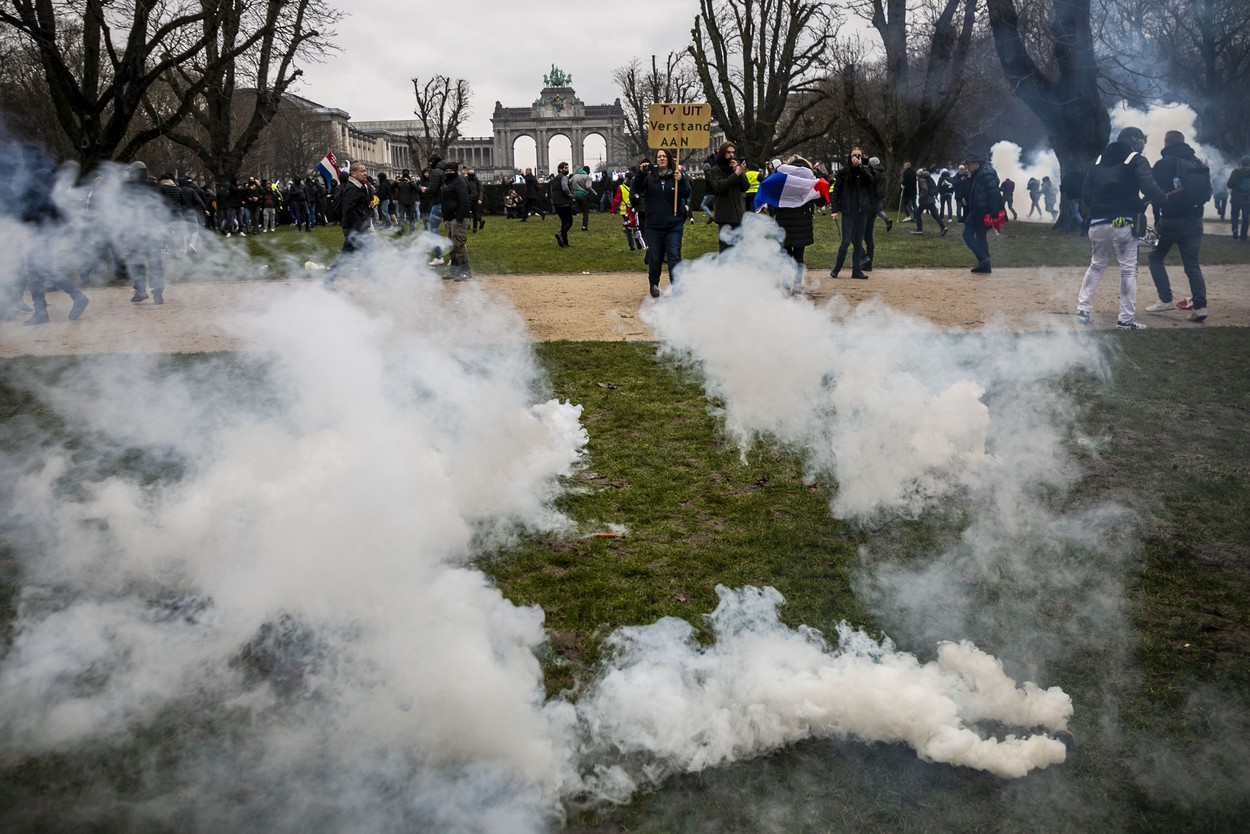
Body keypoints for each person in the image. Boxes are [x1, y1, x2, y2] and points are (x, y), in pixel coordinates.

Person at [1074, 126, 1165, 330]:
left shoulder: (1098, 161)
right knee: (1128, 270)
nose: (1144, 144)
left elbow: (1086, 194)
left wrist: (1101, 207)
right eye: (1142, 140)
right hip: (1123, 222)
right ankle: (1125, 319)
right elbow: (1149, 187)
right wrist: (1160, 197)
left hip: (1097, 223)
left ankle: (1083, 309)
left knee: (1096, 265)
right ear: (1134, 140)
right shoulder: (1136, 159)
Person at [11, 144, 89, 325]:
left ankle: (78, 296)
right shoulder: (42, 174)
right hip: (39, 226)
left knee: (44, 267)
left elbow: (39, 205)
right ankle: (40, 312)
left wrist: (27, 221)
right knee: (32, 270)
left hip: (42, 227)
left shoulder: (41, 175)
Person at [1144, 130, 1210, 323]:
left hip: (1171, 221)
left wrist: (1157, 218)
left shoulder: (1164, 164)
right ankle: (1200, 306)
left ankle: (1165, 299)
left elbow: (1155, 193)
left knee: (1154, 257)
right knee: (1192, 266)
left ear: (1166, 144)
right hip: (1196, 220)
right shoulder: (1197, 162)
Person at [632, 148, 690, 297]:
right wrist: (640, 173)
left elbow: (687, 193)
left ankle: (676, 287)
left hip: (673, 224)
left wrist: (682, 180)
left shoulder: (676, 176)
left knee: (674, 256)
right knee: (655, 257)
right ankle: (654, 284)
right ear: (656, 159)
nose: (662, 158)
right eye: (659, 156)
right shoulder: (649, 177)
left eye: (664, 156)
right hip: (654, 225)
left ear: (669, 158)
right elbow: (636, 187)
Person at [761, 156, 823, 294]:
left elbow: (772, 195)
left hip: (784, 219)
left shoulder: (783, 176)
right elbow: (820, 201)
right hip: (802, 220)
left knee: (786, 254)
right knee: (799, 255)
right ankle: (797, 284)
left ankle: (786, 280)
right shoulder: (809, 178)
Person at [323, 161, 374, 289]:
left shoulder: (358, 186)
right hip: (354, 229)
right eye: (362, 171)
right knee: (369, 256)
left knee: (347, 256)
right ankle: (379, 284)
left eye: (365, 171)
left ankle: (328, 281)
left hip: (354, 228)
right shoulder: (352, 188)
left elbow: (358, 207)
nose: (365, 173)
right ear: (353, 173)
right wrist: (360, 228)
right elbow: (348, 210)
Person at [829, 147, 875, 280]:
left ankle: (856, 270)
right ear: (849, 157)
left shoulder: (864, 170)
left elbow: (871, 181)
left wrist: (860, 167)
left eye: (859, 156)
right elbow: (836, 191)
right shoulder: (844, 172)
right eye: (854, 155)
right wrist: (834, 210)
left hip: (861, 211)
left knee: (858, 242)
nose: (856, 158)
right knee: (846, 241)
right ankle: (837, 269)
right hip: (848, 211)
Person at [960, 149, 1006, 274]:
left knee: (967, 234)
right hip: (978, 211)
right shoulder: (977, 174)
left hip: (981, 212)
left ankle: (983, 259)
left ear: (977, 163)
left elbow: (994, 194)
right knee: (980, 236)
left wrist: (994, 213)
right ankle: (985, 265)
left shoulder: (986, 174)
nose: (967, 166)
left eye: (969, 164)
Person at [705, 141, 750, 252]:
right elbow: (721, 187)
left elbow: (745, 187)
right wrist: (736, 174)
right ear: (722, 153)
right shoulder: (715, 170)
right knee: (726, 250)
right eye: (728, 152)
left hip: (738, 214)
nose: (731, 155)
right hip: (725, 215)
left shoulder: (735, 168)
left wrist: (739, 173)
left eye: (733, 152)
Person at [440, 160, 472, 280]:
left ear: (455, 171)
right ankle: (454, 271)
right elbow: (444, 200)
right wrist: (445, 217)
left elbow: (463, 201)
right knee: (451, 246)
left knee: (458, 245)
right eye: (446, 171)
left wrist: (459, 218)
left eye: (451, 171)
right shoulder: (446, 183)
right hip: (449, 218)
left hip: (459, 218)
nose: (448, 173)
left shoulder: (459, 182)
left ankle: (465, 271)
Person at [911, 168, 948, 235]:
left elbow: (925, 189)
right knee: (935, 215)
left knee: (918, 213)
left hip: (925, 200)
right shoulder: (928, 178)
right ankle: (943, 227)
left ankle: (919, 229)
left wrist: (921, 197)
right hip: (931, 199)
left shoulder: (921, 180)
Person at [549, 161, 575, 247]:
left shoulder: (554, 179)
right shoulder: (564, 177)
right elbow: (565, 188)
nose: (567, 169)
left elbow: (552, 191)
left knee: (564, 222)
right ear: (560, 169)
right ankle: (560, 233)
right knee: (569, 222)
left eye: (567, 167)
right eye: (565, 168)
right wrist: (571, 196)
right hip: (564, 203)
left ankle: (565, 242)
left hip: (556, 204)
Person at [1227, 155, 1250, 240]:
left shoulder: (1235, 172)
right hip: (1247, 199)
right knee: (1246, 218)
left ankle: (1235, 230)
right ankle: (1243, 236)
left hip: (1236, 198)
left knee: (1234, 216)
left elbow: (1229, 185)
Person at [570, 166, 596, 231]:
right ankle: (584, 227)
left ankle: (572, 212)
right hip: (583, 195)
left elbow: (568, 182)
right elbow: (588, 187)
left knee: (575, 209)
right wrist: (594, 192)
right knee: (585, 211)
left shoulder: (575, 176)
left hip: (575, 194)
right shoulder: (587, 177)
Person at [465, 167, 485, 232]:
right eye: (469, 173)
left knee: (475, 214)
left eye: (472, 173)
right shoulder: (464, 180)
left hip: (475, 199)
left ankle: (474, 228)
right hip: (467, 199)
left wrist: (480, 199)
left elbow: (480, 190)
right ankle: (468, 226)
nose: (471, 174)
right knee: (466, 214)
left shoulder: (477, 181)